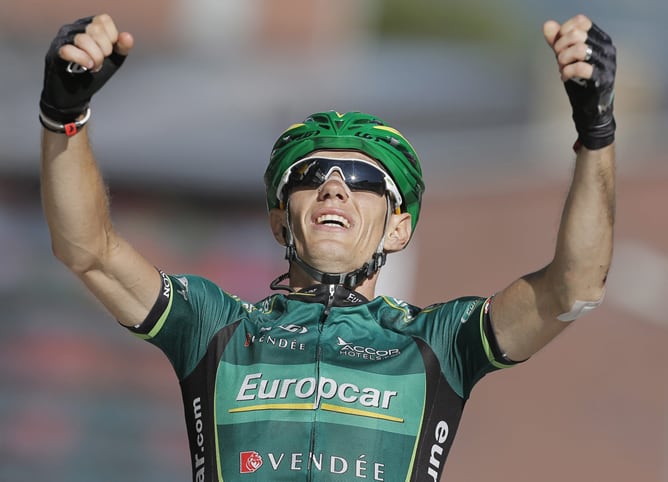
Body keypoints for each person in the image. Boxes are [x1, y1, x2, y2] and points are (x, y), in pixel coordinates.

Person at [39, 12, 616, 482]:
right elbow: (87, 250)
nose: (334, 186)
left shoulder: (438, 342)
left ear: (398, 229)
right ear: (277, 222)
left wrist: (595, 134)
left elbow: (575, 287)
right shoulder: (216, 327)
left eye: (363, 181)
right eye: (310, 175)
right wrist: (64, 115)